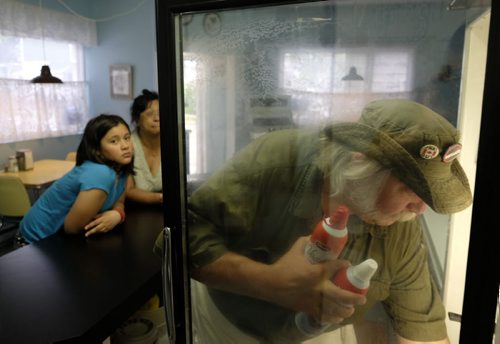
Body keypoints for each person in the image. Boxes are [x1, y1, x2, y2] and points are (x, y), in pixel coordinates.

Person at [162, 99, 472, 343]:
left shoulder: (400, 224)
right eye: (411, 190)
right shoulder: (275, 163)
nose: (420, 209)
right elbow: (180, 238)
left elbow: (420, 327)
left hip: (315, 331)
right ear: (363, 167)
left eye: (427, 195)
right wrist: (270, 284)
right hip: (233, 324)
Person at [18, 114, 134, 244]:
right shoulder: (100, 173)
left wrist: (118, 215)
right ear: (97, 150)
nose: (125, 146)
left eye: (127, 138)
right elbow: (72, 228)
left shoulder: (121, 168)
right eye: (114, 141)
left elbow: (119, 201)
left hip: (61, 240)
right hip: (34, 242)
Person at [126, 89, 163, 204]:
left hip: (166, 211)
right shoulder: (127, 145)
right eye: (150, 114)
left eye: (160, 113)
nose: (157, 118)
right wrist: (161, 198)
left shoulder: (174, 143)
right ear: (137, 120)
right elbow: (128, 191)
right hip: (135, 211)